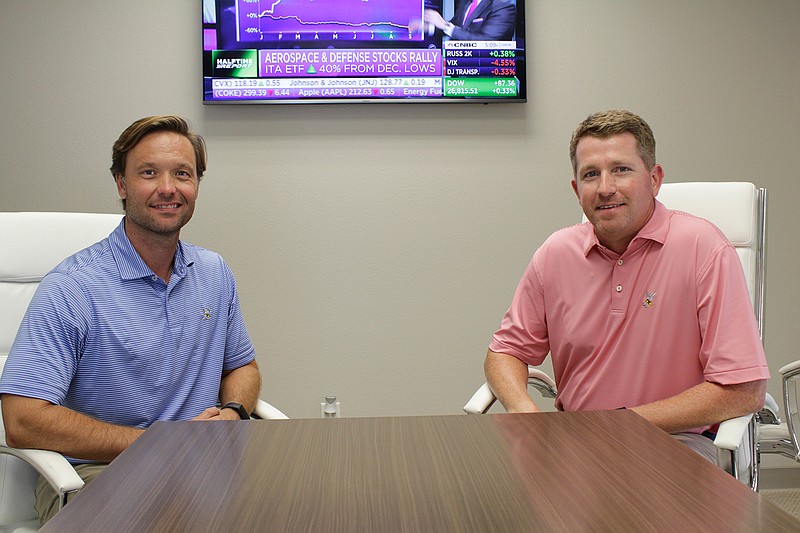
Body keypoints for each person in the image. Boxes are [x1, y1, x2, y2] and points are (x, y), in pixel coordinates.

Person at [0, 115, 261, 523]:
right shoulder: (72, 287)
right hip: (98, 473)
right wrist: (157, 444)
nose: (168, 187)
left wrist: (232, 413)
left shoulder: (214, 272)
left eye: (182, 174)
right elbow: (21, 418)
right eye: (149, 173)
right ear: (122, 185)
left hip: (203, 475)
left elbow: (242, 366)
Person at [484, 109, 769, 463]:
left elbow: (743, 390)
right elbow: (505, 352)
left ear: (654, 179)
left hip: (672, 441)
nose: (605, 188)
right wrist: (524, 409)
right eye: (591, 175)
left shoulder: (704, 248)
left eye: (621, 169)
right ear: (576, 189)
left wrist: (619, 424)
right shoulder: (555, 254)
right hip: (574, 441)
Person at [411, 0, 517, 41]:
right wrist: (428, 27)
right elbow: (457, 28)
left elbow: (486, 41)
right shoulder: (465, 3)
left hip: (488, 78)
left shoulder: (503, 7)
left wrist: (444, 25)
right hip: (460, 75)